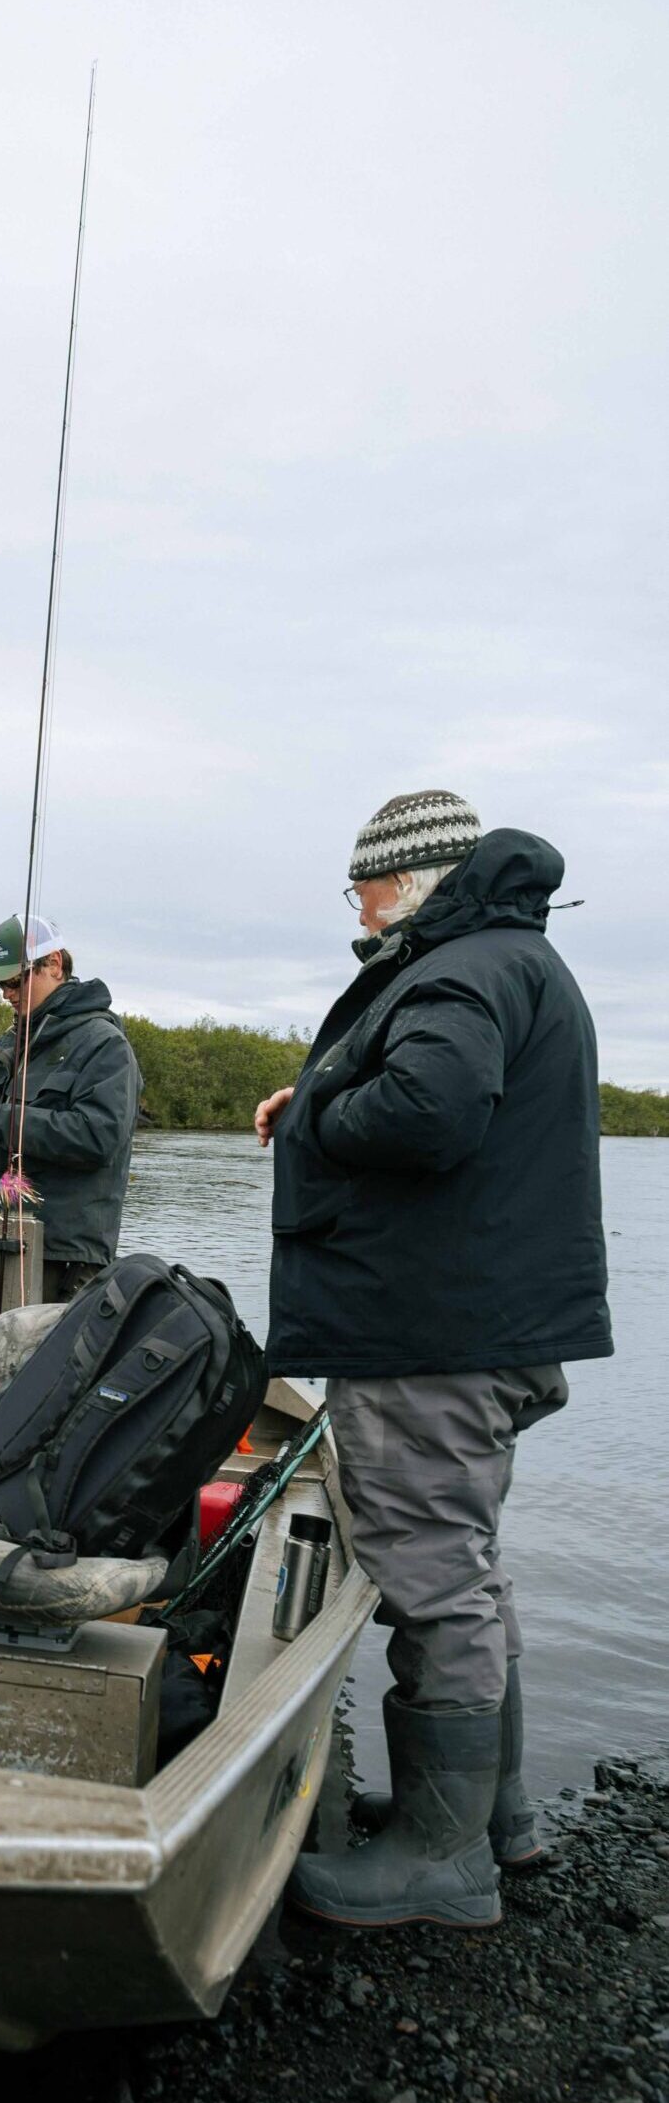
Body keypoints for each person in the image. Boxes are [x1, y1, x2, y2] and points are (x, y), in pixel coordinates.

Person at [256, 792, 611, 1929]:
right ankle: (492, 1816)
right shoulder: (512, 961)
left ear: (411, 879)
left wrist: (314, 1103)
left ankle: (439, 1858)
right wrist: (321, 1096)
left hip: (431, 1336)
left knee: (429, 1570)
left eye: (361, 884)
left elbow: (430, 1108)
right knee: (470, 1561)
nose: (356, 907)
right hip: (484, 1325)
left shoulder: (455, 967)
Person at [0, 912, 141, 1300]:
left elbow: (97, 1138)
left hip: (60, 1259)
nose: (7, 993)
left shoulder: (104, 1046)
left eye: (15, 980)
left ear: (54, 964)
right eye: (1, 985)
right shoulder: (4, 1048)